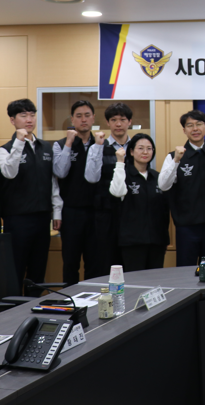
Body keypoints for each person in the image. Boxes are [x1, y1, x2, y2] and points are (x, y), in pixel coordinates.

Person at [0, 98, 62, 292]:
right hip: (18, 219)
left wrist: (57, 212)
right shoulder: (5, 149)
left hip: (42, 217)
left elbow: (52, 182)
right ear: (12, 120)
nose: (29, 119)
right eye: (23, 115)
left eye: (32, 115)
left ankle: (34, 307)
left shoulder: (45, 147)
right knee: (16, 269)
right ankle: (15, 309)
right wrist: (19, 142)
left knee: (38, 270)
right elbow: (9, 173)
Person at [159, 110, 205, 267]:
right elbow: (163, 185)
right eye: (190, 125)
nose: (195, 129)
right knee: (185, 270)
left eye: (199, 124)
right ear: (184, 130)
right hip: (186, 227)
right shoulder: (173, 157)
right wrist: (176, 161)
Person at [85, 102, 134, 277]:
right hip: (105, 212)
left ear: (129, 122)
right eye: (113, 120)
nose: (118, 124)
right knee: (106, 260)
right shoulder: (98, 146)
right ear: (107, 123)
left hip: (131, 211)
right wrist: (98, 147)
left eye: (122, 120)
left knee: (131, 261)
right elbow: (91, 177)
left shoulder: (138, 147)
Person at [107, 134, 169, 271]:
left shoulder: (157, 177)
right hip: (132, 242)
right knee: (136, 280)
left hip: (157, 241)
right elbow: (117, 192)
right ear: (131, 151)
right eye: (140, 148)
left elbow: (164, 209)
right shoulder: (123, 174)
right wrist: (120, 162)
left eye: (149, 148)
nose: (145, 152)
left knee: (155, 279)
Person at [53, 100, 98, 285]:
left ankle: (94, 299)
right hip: (71, 212)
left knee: (94, 262)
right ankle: (70, 299)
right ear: (72, 119)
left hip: (96, 212)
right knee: (70, 262)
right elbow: (60, 173)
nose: (83, 120)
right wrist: (69, 144)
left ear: (93, 118)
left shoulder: (100, 143)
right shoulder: (60, 144)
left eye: (87, 115)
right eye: (79, 116)